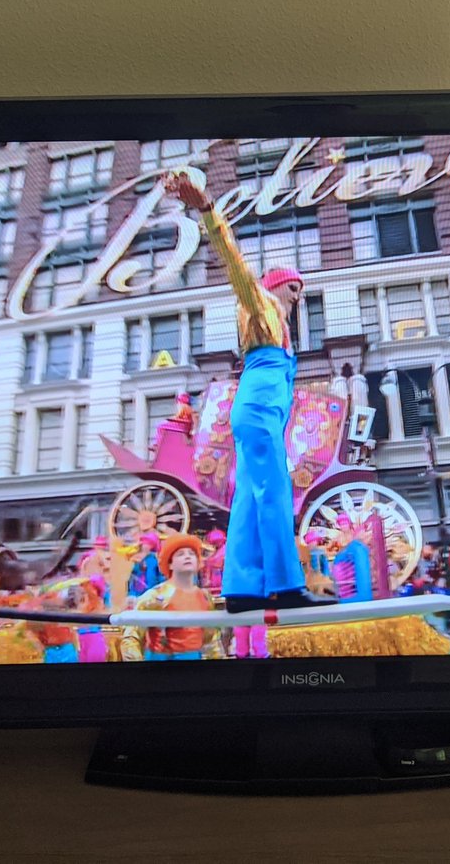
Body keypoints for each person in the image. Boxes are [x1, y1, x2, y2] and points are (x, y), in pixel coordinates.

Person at [164, 171, 334, 614]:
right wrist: (206, 210)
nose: (298, 297)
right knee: (274, 489)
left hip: (263, 408)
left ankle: (241, 588)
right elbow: (233, 262)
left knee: (250, 494)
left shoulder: (280, 329)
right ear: (274, 285)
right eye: (294, 287)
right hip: (258, 405)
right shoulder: (258, 304)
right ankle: (285, 585)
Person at [120, 533, 225, 662]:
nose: (187, 556)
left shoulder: (204, 597)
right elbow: (131, 636)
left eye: (191, 554)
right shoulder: (156, 596)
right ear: (170, 564)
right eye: (180, 554)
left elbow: (211, 639)